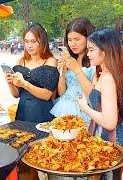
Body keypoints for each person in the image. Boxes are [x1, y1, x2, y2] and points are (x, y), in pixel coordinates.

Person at [78, 28, 123, 180]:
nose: (88, 54)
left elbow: (110, 123)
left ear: (104, 52)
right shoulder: (103, 73)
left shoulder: (109, 78)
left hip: (110, 142)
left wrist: (84, 107)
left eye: (91, 50)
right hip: (101, 139)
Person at [6, 23, 59, 123]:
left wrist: (24, 84)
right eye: (26, 42)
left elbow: (47, 95)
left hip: (42, 113)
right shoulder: (20, 61)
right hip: (22, 112)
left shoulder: (50, 61)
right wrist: (10, 83)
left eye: (33, 41)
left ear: (42, 41)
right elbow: (16, 94)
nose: (29, 46)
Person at [50, 18, 96, 126]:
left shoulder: (94, 61)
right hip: (64, 108)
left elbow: (95, 96)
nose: (72, 44)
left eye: (77, 39)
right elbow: (62, 93)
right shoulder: (70, 59)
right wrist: (62, 72)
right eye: (69, 40)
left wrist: (77, 69)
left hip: (85, 111)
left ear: (88, 38)